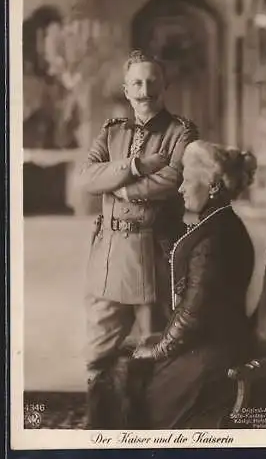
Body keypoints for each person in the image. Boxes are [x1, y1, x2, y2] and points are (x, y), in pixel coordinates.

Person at [77, 50, 198, 428]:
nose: (145, 91)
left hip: (153, 254)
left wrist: (121, 190)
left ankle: (152, 432)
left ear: (164, 86)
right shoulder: (111, 132)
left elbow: (173, 180)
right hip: (109, 254)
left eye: (152, 82)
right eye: (137, 83)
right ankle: (99, 425)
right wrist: (133, 166)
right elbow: (85, 178)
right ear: (126, 90)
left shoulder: (182, 132)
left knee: (155, 347)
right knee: (98, 349)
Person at [133, 140, 257, 429]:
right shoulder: (218, 224)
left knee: (143, 395)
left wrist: (158, 351)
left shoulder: (216, 238)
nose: (181, 189)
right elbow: (183, 250)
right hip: (213, 343)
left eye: (188, 181)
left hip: (214, 356)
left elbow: (191, 316)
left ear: (212, 186)